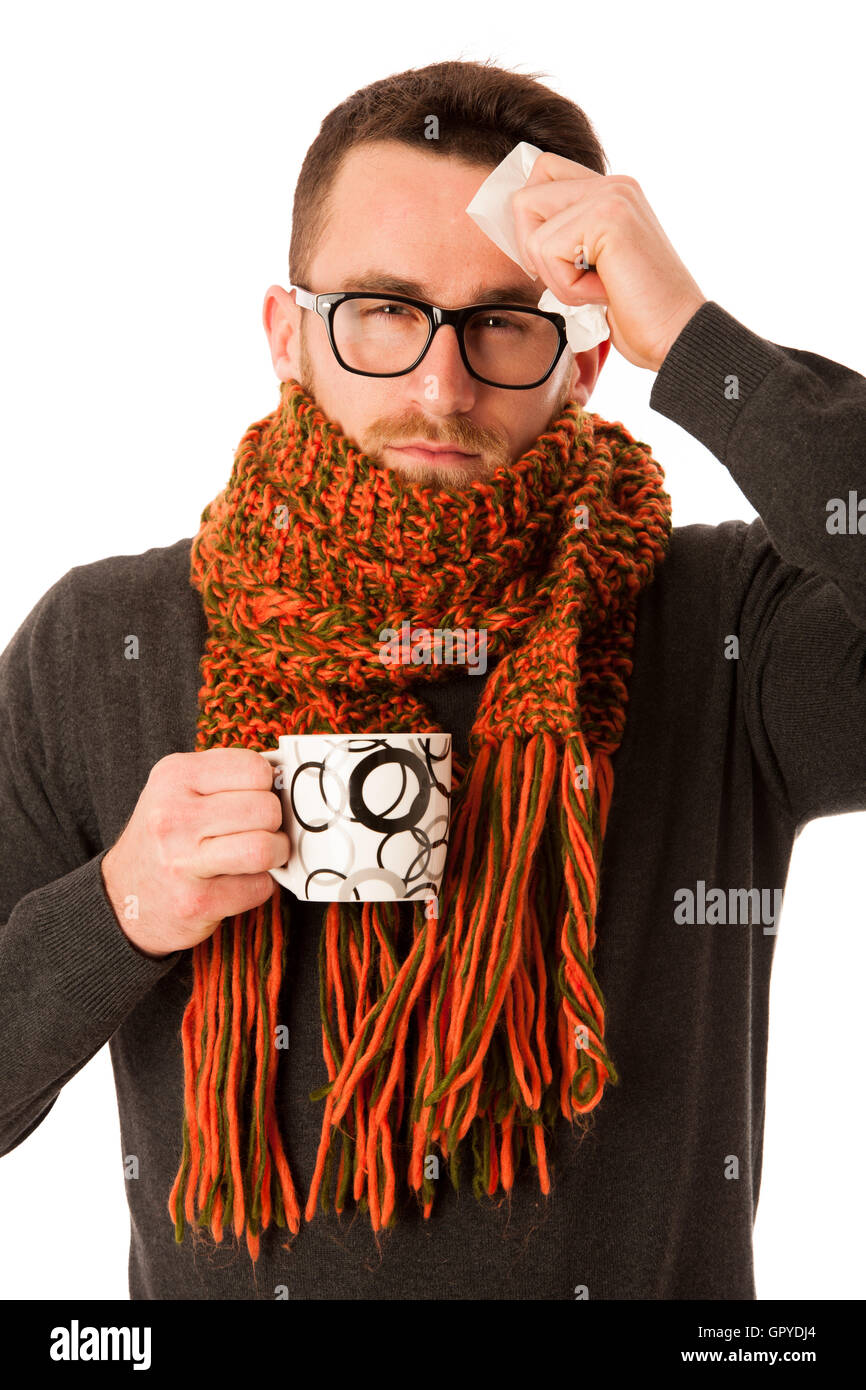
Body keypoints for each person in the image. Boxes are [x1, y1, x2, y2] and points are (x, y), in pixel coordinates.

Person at [1, 58, 864, 1302]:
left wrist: (696, 342)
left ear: (583, 361)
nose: (438, 386)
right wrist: (120, 911)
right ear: (287, 335)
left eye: (501, 322)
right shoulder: (103, 639)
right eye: (384, 310)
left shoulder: (727, 630)